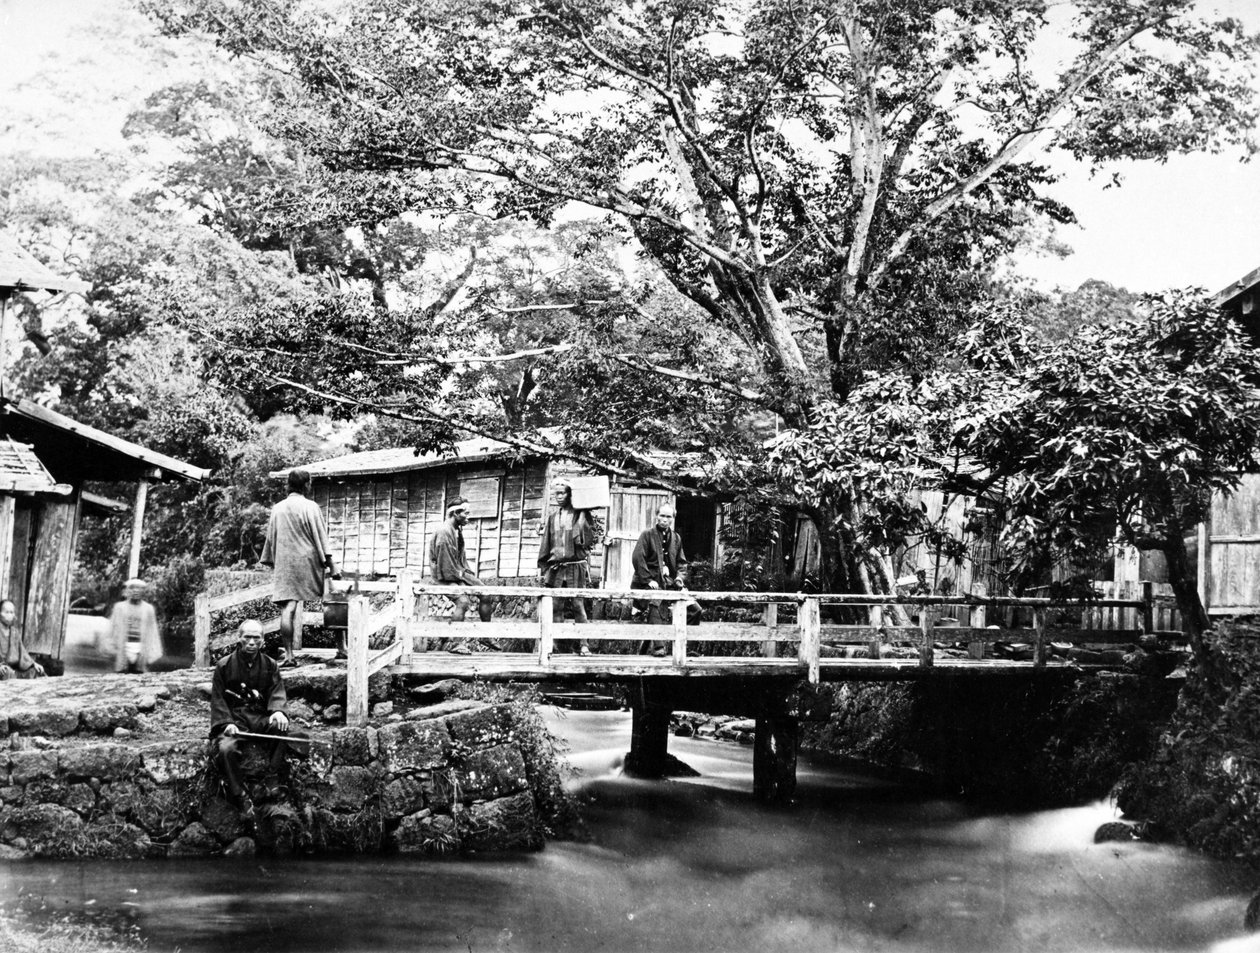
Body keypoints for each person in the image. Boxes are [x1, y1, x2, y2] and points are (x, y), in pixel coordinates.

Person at [209, 619, 294, 820]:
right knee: (225, 749)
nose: (251, 642)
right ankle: (240, 794)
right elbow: (218, 699)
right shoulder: (224, 665)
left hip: (259, 717)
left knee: (281, 728)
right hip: (234, 719)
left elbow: (276, 691)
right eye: (247, 637)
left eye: (256, 638)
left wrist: (277, 711)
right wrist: (226, 723)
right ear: (239, 638)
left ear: (263, 641)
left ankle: (271, 779)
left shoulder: (270, 664)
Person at [261, 468, 337, 666]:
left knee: (288, 607)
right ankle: (342, 648)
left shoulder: (277, 508)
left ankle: (288, 655)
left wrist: (272, 561)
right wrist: (331, 565)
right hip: (309, 561)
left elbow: (271, 539)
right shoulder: (310, 506)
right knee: (333, 599)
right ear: (306, 485)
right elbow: (321, 537)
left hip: (286, 563)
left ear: (288, 485)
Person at [537, 478, 595, 656]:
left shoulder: (580, 515)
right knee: (556, 606)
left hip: (575, 567)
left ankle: (584, 644)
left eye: (563, 493)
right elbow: (546, 544)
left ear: (570, 495)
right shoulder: (552, 517)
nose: (559, 497)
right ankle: (557, 644)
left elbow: (588, 541)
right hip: (556, 568)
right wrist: (543, 567)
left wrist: (584, 516)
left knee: (578, 605)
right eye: (556, 494)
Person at [428, 497, 493, 652]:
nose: (468, 517)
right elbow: (445, 565)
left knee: (486, 594)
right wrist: (462, 582)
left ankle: (485, 635)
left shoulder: (457, 530)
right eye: (466, 513)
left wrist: (467, 576)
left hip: (457, 572)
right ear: (456, 513)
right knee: (463, 601)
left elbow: (459, 560)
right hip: (443, 576)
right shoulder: (444, 532)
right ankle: (456, 643)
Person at [631, 504, 687, 655]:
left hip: (667, 582)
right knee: (655, 602)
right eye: (662, 516)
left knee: (694, 609)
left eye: (668, 517)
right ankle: (659, 647)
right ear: (656, 516)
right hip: (646, 582)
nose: (664, 520)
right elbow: (638, 558)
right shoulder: (647, 535)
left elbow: (682, 563)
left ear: (673, 519)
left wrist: (679, 578)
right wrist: (648, 579)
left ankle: (682, 647)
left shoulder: (676, 538)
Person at [107, 578, 163, 674]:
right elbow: (112, 629)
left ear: (143, 592)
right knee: (121, 675)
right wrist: (111, 648)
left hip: (140, 648)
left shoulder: (148, 609)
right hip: (123, 648)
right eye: (132, 588)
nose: (135, 591)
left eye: (139, 588)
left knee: (139, 677)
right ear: (127, 591)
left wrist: (152, 653)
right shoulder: (119, 607)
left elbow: (153, 631)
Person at [0, 598, 44, 679]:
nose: (10, 615)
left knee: (36, 671)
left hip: (14, 671)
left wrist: (33, 664)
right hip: (2, 671)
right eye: (6, 612)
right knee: (7, 672)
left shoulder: (14, 633)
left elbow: (22, 653)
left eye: (12, 612)